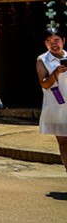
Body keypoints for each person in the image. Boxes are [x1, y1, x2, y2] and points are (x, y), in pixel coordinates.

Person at [35, 27, 67, 174]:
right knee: (64, 143)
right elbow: (44, 84)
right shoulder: (42, 60)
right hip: (57, 108)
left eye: (56, 40)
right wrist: (56, 72)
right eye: (49, 41)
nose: (53, 44)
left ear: (63, 41)